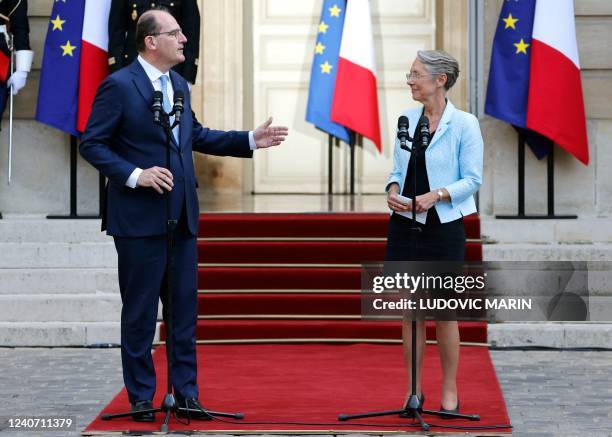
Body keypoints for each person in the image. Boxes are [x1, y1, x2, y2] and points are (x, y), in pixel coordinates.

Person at [80, 8, 288, 422]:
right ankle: (141, 397)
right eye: (175, 34)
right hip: (139, 220)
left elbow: (196, 135)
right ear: (150, 41)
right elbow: (92, 144)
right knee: (139, 313)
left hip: (182, 217)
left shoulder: (178, 84)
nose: (184, 40)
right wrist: (136, 175)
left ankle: (186, 394)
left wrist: (250, 139)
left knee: (183, 314)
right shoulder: (119, 86)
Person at [385, 50, 483, 415]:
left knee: (444, 313)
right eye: (408, 74)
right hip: (404, 226)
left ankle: (450, 390)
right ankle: (414, 391)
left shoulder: (465, 124)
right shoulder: (407, 119)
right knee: (411, 313)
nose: (409, 81)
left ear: (440, 79)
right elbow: (396, 168)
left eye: (415, 74)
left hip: (443, 226)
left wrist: (436, 195)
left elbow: (472, 179)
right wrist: (392, 191)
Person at [108, 0, 200, 84]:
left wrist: (187, 78)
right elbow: (116, 34)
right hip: (133, 69)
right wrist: (117, 73)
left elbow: (191, 32)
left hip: (171, 71)